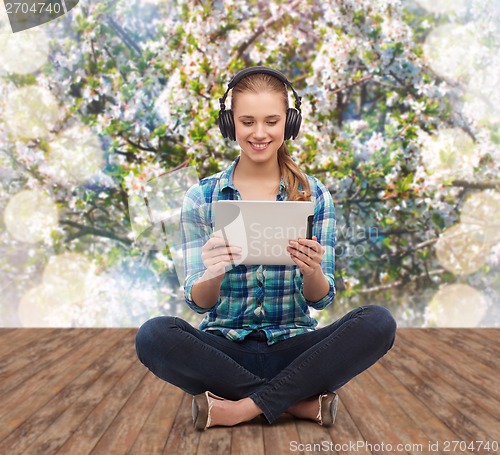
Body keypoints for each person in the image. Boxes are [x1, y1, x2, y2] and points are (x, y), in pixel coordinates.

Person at [135, 66, 397, 431]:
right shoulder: (202, 197)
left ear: (289, 124)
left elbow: (321, 300)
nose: (259, 134)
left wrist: (313, 271)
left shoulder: (315, 194)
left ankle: (242, 407)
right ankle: (295, 402)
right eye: (247, 122)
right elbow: (199, 302)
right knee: (153, 335)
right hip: (223, 350)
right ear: (231, 125)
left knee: (378, 322)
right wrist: (213, 272)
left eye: (271, 121)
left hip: (296, 350)